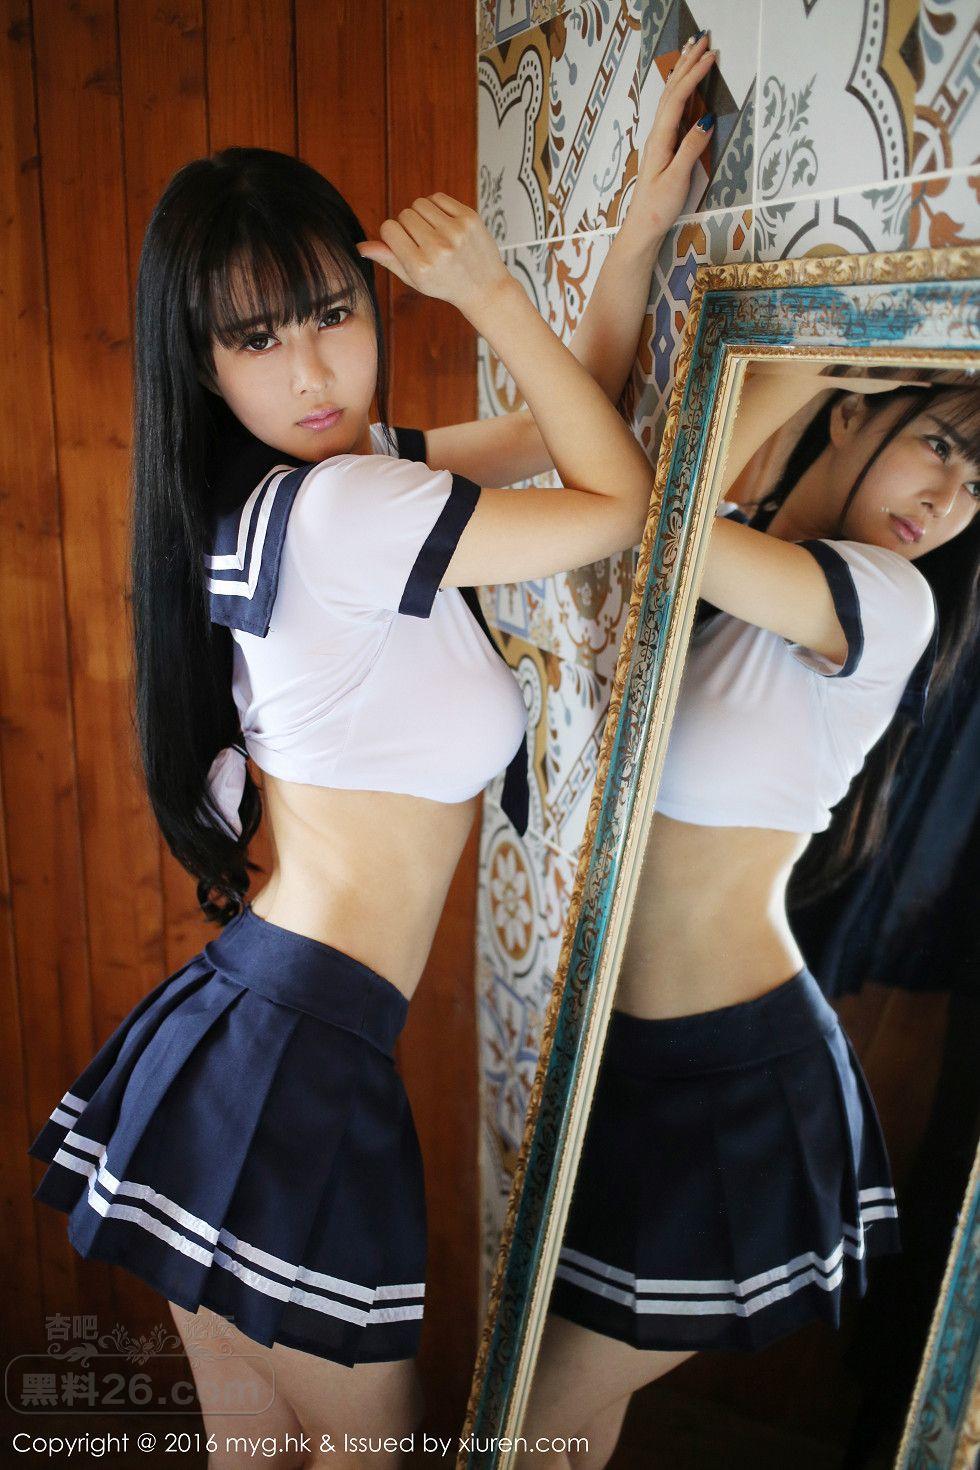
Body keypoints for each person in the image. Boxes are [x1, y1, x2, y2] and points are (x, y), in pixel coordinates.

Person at [25, 35, 719, 1467]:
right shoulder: (343, 510)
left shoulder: (310, 496)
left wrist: (638, 229)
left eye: (332, 313)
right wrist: (489, 292)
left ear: (362, 299)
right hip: (297, 1053)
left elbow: (561, 419)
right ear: (201, 365)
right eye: (256, 339)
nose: (312, 368)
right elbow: (619, 502)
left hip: (250, 1029)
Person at [516, 350, 980, 1464]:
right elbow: (652, 510)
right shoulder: (747, 560)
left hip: (739, 1090)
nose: (945, 500)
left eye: (979, 488)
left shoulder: (888, 598)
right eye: (939, 445)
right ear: (853, 413)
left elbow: (646, 516)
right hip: (635, 1064)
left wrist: (796, 371)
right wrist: (798, 373)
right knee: (565, 1435)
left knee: (520, 1427)